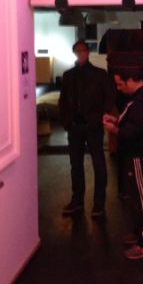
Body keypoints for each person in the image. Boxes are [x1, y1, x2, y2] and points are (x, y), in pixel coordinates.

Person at [103, 67, 143, 260]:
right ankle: (140, 233)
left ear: (130, 80)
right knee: (139, 198)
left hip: (140, 155)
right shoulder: (142, 97)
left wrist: (113, 129)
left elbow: (132, 132)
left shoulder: (142, 102)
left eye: (120, 84)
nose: (119, 88)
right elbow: (134, 123)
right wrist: (116, 120)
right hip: (139, 154)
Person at [59, 40, 114, 217]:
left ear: (88, 52)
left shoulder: (100, 74)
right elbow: (63, 100)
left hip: (93, 126)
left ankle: (99, 204)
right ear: (74, 53)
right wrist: (66, 121)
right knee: (76, 165)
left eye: (83, 50)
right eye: (77, 51)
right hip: (74, 126)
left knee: (99, 164)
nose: (80, 53)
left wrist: (101, 116)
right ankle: (77, 200)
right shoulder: (68, 75)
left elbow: (109, 96)